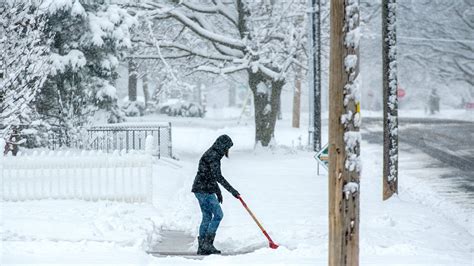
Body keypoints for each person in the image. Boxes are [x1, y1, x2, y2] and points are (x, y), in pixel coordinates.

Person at [191, 134, 240, 255]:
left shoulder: (213, 153)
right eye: (227, 148)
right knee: (218, 214)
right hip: (204, 190)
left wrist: (218, 192)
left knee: (207, 216)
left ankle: (202, 246)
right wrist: (232, 190)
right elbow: (218, 176)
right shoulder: (213, 156)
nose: (227, 151)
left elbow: (211, 175)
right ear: (223, 146)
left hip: (201, 188)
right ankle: (207, 243)